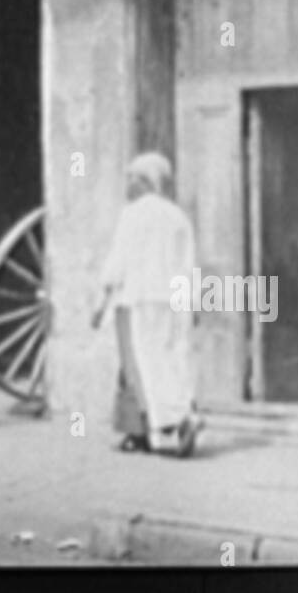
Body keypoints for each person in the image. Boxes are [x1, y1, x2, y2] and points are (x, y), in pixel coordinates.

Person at [91, 151, 201, 457]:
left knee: (146, 363)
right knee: (171, 357)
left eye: (132, 178)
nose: (127, 184)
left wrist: (100, 303)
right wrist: (190, 304)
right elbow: (188, 263)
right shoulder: (177, 216)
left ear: (145, 182)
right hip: (172, 298)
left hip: (139, 297)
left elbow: (117, 262)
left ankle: (174, 420)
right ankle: (175, 418)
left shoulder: (133, 213)